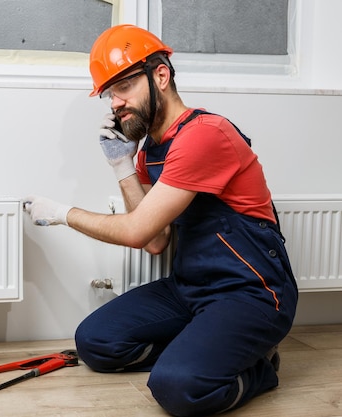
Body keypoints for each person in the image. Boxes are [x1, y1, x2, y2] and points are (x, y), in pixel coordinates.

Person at [23, 24, 298, 417]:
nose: (115, 103)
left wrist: (62, 214)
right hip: (191, 287)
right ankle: (203, 350)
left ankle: (259, 369)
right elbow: (156, 242)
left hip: (251, 293)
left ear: (161, 76)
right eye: (108, 94)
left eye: (124, 87)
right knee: (94, 343)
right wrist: (121, 163)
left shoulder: (205, 135)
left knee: (176, 387)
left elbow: (137, 233)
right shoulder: (150, 151)